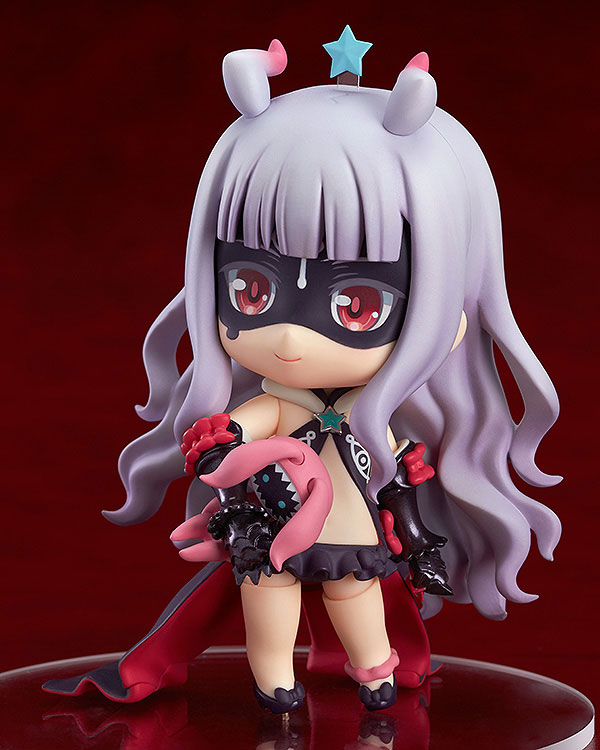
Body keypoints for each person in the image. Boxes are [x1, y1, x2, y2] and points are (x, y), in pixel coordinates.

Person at [44, 36, 561, 714]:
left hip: (349, 533)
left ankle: (373, 670)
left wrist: (409, 477)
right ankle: (274, 681)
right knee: (268, 599)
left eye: (356, 304)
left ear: (445, 313)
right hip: (268, 525)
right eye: (251, 289)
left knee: (357, 598)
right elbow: (235, 431)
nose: (289, 337)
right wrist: (223, 443)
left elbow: (395, 465)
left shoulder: (372, 417)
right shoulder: (277, 402)